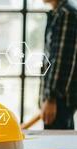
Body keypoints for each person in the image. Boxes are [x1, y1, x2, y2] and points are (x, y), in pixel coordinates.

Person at [40, 0, 77, 129]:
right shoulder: (58, 13)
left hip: (59, 98)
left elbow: (61, 59)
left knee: (56, 145)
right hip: (58, 97)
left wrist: (51, 98)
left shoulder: (66, 14)